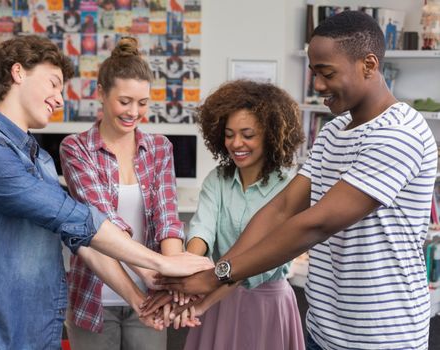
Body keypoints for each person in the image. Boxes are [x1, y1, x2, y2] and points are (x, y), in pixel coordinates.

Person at [154, 11, 437, 350]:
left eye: (326, 73)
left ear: (369, 64)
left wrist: (215, 275)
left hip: (382, 338)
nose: (317, 85)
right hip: (323, 329)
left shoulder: (398, 134)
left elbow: (316, 224)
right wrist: (209, 282)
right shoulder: (333, 131)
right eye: (313, 72)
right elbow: (282, 209)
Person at [0, 35, 212, 350]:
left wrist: (140, 300)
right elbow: (76, 217)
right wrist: (160, 263)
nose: (60, 100)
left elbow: (81, 239)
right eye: (54, 84)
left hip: (41, 326)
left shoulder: (40, 160)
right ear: (18, 73)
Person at [59, 36, 195, 350]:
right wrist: (155, 270)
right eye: (125, 101)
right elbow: (103, 222)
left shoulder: (160, 148)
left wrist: (171, 281)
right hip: (94, 296)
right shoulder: (76, 148)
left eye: (143, 103)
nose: (134, 111)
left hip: (151, 292)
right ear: (101, 94)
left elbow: (167, 221)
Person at [174, 80, 305, 350]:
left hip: (267, 305)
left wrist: (202, 304)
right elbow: (202, 231)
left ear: (269, 136)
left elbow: (258, 262)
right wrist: (185, 270)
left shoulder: (289, 187)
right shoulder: (217, 180)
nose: (236, 143)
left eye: (247, 134)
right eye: (230, 134)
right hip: (218, 299)